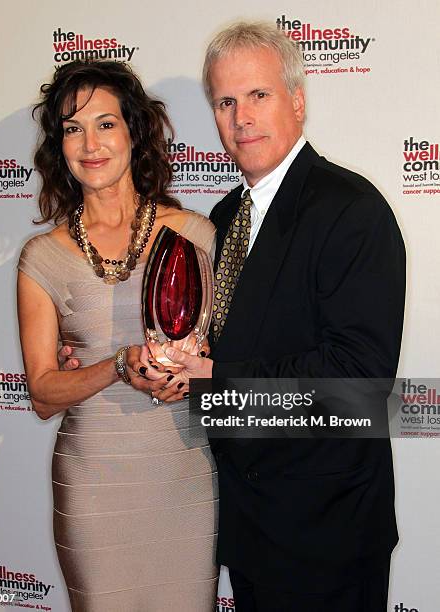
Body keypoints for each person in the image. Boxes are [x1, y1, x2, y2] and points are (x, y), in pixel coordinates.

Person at [127, 22, 406, 611]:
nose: (241, 116)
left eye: (259, 95)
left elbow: (357, 384)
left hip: (325, 536)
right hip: (249, 530)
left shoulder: (352, 210)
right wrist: (176, 374)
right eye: (226, 102)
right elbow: (217, 349)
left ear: (297, 102)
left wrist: (213, 379)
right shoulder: (223, 217)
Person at [17, 59, 218, 612]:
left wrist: (195, 376)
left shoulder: (195, 235)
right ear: (59, 147)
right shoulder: (42, 258)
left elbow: (225, 360)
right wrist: (116, 367)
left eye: (105, 123)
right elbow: (40, 394)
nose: (90, 144)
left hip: (183, 478)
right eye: (72, 129)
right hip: (94, 486)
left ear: (134, 130)